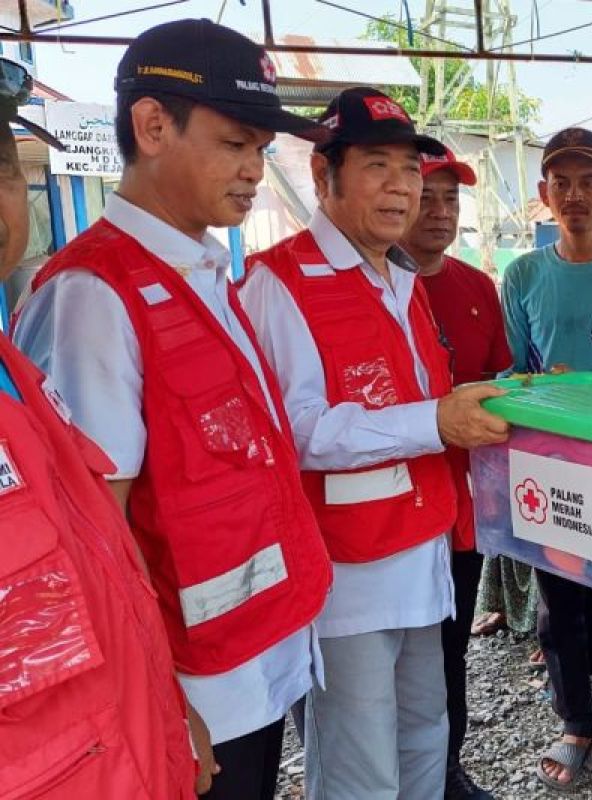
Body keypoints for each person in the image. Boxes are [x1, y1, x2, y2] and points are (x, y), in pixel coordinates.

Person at [13, 20, 334, 799]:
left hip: (255, 654)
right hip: (196, 685)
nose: (256, 170)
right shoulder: (94, 295)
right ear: (153, 126)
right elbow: (98, 529)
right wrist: (159, 692)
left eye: (261, 149)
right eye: (235, 145)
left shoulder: (201, 269)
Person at [239, 87, 509, 800]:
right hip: (345, 576)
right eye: (377, 166)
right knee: (360, 766)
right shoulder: (280, 282)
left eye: (411, 170)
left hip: (419, 559)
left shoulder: (400, 277)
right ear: (325, 178)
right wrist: (435, 422)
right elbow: (297, 432)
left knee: (426, 737)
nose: (401, 186)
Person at [0, 74, 195, 799]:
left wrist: (172, 712)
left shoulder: (18, 372)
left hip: (132, 755)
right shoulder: (88, 294)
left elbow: (103, 566)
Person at [501, 127, 592, 793]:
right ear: (543, 195)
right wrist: (538, 387)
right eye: (561, 182)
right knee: (560, 601)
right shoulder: (524, 274)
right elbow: (508, 373)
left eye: (589, 181)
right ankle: (575, 721)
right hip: (549, 462)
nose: (575, 195)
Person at [403, 145, 511, 800]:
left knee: (448, 647)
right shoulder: (374, 286)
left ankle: (446, 770)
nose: (440, 213)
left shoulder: (476, 287)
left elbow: (497, 386)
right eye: (428, 196)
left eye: (451, 199)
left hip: (460, 507)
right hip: (386, 511)